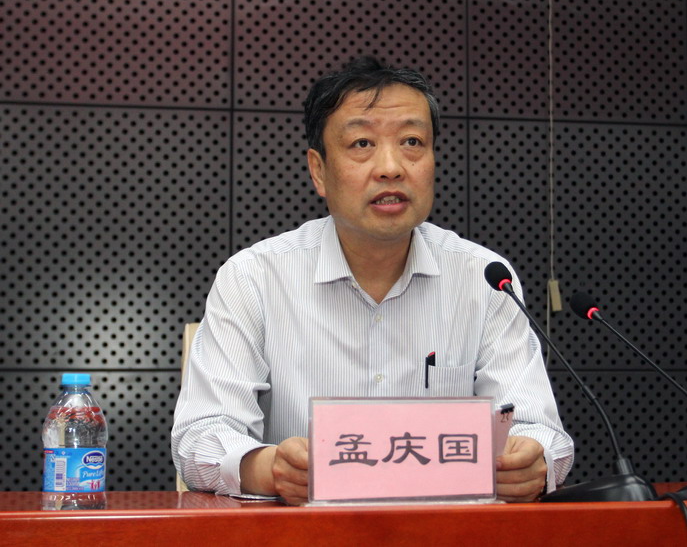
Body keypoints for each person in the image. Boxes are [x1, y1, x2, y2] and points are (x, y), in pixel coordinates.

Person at [172, 57, 574, 505]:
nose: (391, 167)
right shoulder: (255, 277)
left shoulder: (484, 278)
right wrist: (268, 469)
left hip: (445, 531)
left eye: (412, 142)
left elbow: (540, 431)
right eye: (362, 143)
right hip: (304, 531)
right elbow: (200, 437)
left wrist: (533, 460)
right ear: (319, 171)